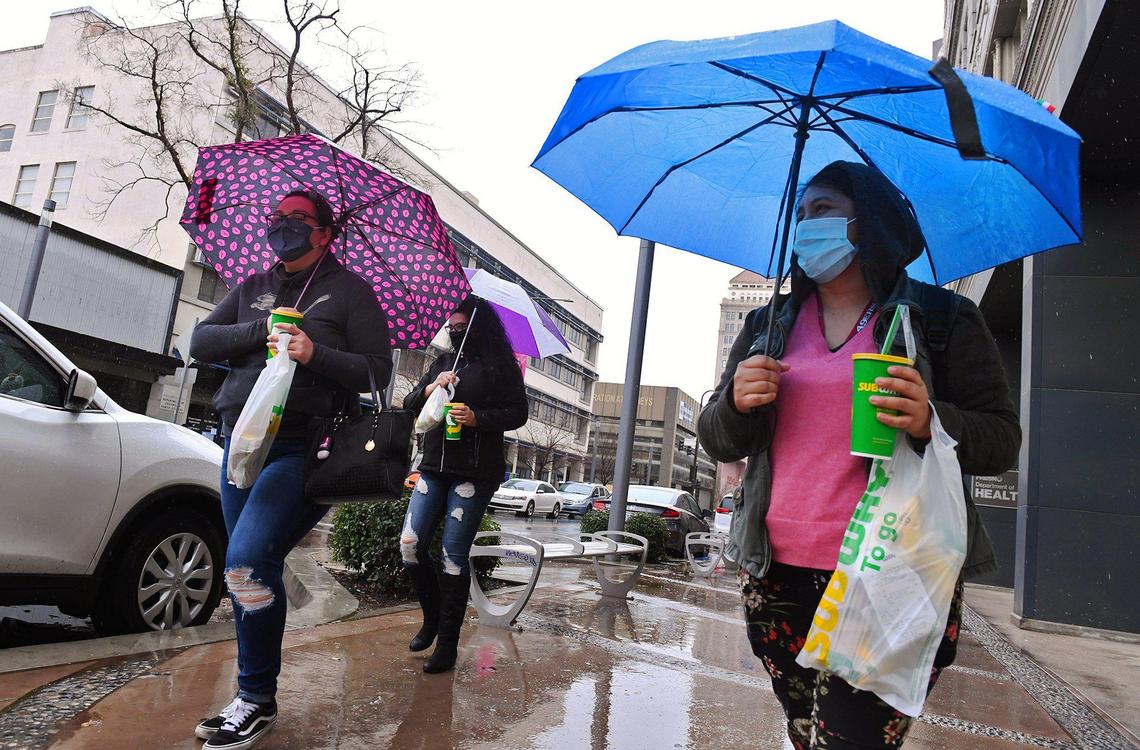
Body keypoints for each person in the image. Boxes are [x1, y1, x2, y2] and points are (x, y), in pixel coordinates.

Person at [697, 161, 1020, 749]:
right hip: (777, 572)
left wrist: (931, 420)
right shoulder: (767, 325)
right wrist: (736, 405)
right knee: (806, 734)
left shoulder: (943, 320)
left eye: (821, 211)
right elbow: (719, 439)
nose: (805, 228)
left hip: (888, 572)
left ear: (867, 221)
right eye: (799, 215)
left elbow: (1000, 439)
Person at [189, 189, 392, 749]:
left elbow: (377, 372)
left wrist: (313, 351)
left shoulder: (351, 292)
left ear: (326, 232)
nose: (283, 227)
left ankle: (253, 699)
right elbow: (201, 340)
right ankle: (253, 693)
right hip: (241, 444)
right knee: (246, 566)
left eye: (297, 219)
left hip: (303, 449)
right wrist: (263, 330)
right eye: (277, 218)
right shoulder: (254, 286)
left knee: (248, 560)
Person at [401, 296, 529, 673]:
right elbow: (410, 403)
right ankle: (432, 617)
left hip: (474, 473)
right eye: (450, 328)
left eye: (461, 327)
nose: (454, 333)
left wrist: (478, 418)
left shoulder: (501, 366)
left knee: (452, 555)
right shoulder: (442, 363)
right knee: (410, 545)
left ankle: (448, 646)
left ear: (478, 327)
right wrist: (430, 388)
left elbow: (519, 412)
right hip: (434, 467)